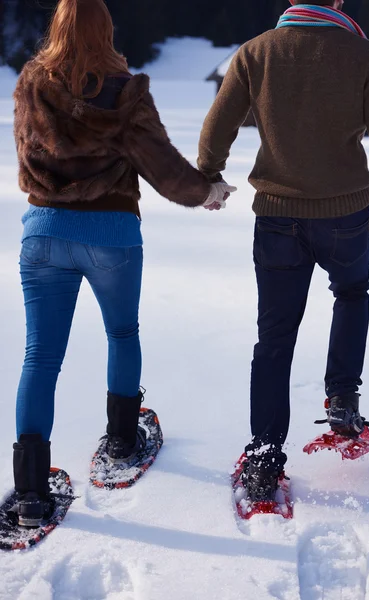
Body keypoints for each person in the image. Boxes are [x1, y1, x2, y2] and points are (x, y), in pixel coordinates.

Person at [12, 0, 235, 527]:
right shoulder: (127, 93)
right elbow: (162, 165)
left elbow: (27, 155)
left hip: (44, 233)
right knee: (122, 334)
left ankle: (28, 495)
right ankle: (122, 439)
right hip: (111, 235)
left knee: (39, 358)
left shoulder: (31, 85)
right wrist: (208, 191)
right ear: (106, 32)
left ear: (58, 28)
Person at [198, 0, 369, 502]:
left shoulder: (256, 52)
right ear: (338, 1)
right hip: (346, 216)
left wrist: (208, 175)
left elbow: (216, 128)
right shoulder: (366, 55)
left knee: (275, 334)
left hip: (278, 216)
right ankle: (342, 400)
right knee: (352, 294)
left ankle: (264, 457)